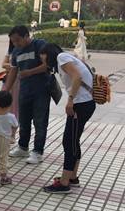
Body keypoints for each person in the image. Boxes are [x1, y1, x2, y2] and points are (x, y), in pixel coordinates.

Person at [39, 44, 95, 194]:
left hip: (80, 105)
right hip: (85, 104)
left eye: (43, 58)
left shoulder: (61, 57)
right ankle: (72, 177)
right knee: (73, 141)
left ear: (48, 53)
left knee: (69, 142)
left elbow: (77, 76)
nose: (43, 62)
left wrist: (70, 100)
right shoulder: (66, 57)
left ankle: (64, 184)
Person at [4, 25, 51, 164]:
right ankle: (23, 148)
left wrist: (29, 72)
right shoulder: (16, 51)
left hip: (41, 90)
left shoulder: (40, 45)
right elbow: (13, 71)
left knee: (40, 122)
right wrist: (6, 90)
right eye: (13, 41)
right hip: (24, 91)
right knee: (23, 121)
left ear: (26, 36)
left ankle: (37, 152)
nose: (16, 44)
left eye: (18, 40)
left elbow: (47, 65)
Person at [1, 40, 19, 143]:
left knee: (15, 108)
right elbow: (3, 64)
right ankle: (3, 132)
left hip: (19, 83)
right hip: (8, 82)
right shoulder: (10, 51)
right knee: (4, 105)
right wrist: (14, 67)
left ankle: (12, 134)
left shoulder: (24, 50)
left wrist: (11, 67)